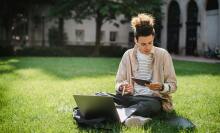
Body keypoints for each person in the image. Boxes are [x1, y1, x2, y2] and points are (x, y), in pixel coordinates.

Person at [114, 13, 177, 127]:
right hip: (130, 97)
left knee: (150, 106)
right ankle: (135, 117)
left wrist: (162, 87)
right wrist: (122, 87)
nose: (147, 47)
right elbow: (118, 82)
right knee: (102, 96)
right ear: (135, 40)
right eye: (143, 44)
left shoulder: (163, 55)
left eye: (150, 43)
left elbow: (173, 85)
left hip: (152, 100)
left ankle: (117, 114)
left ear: (153, 38)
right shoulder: (127, 55)